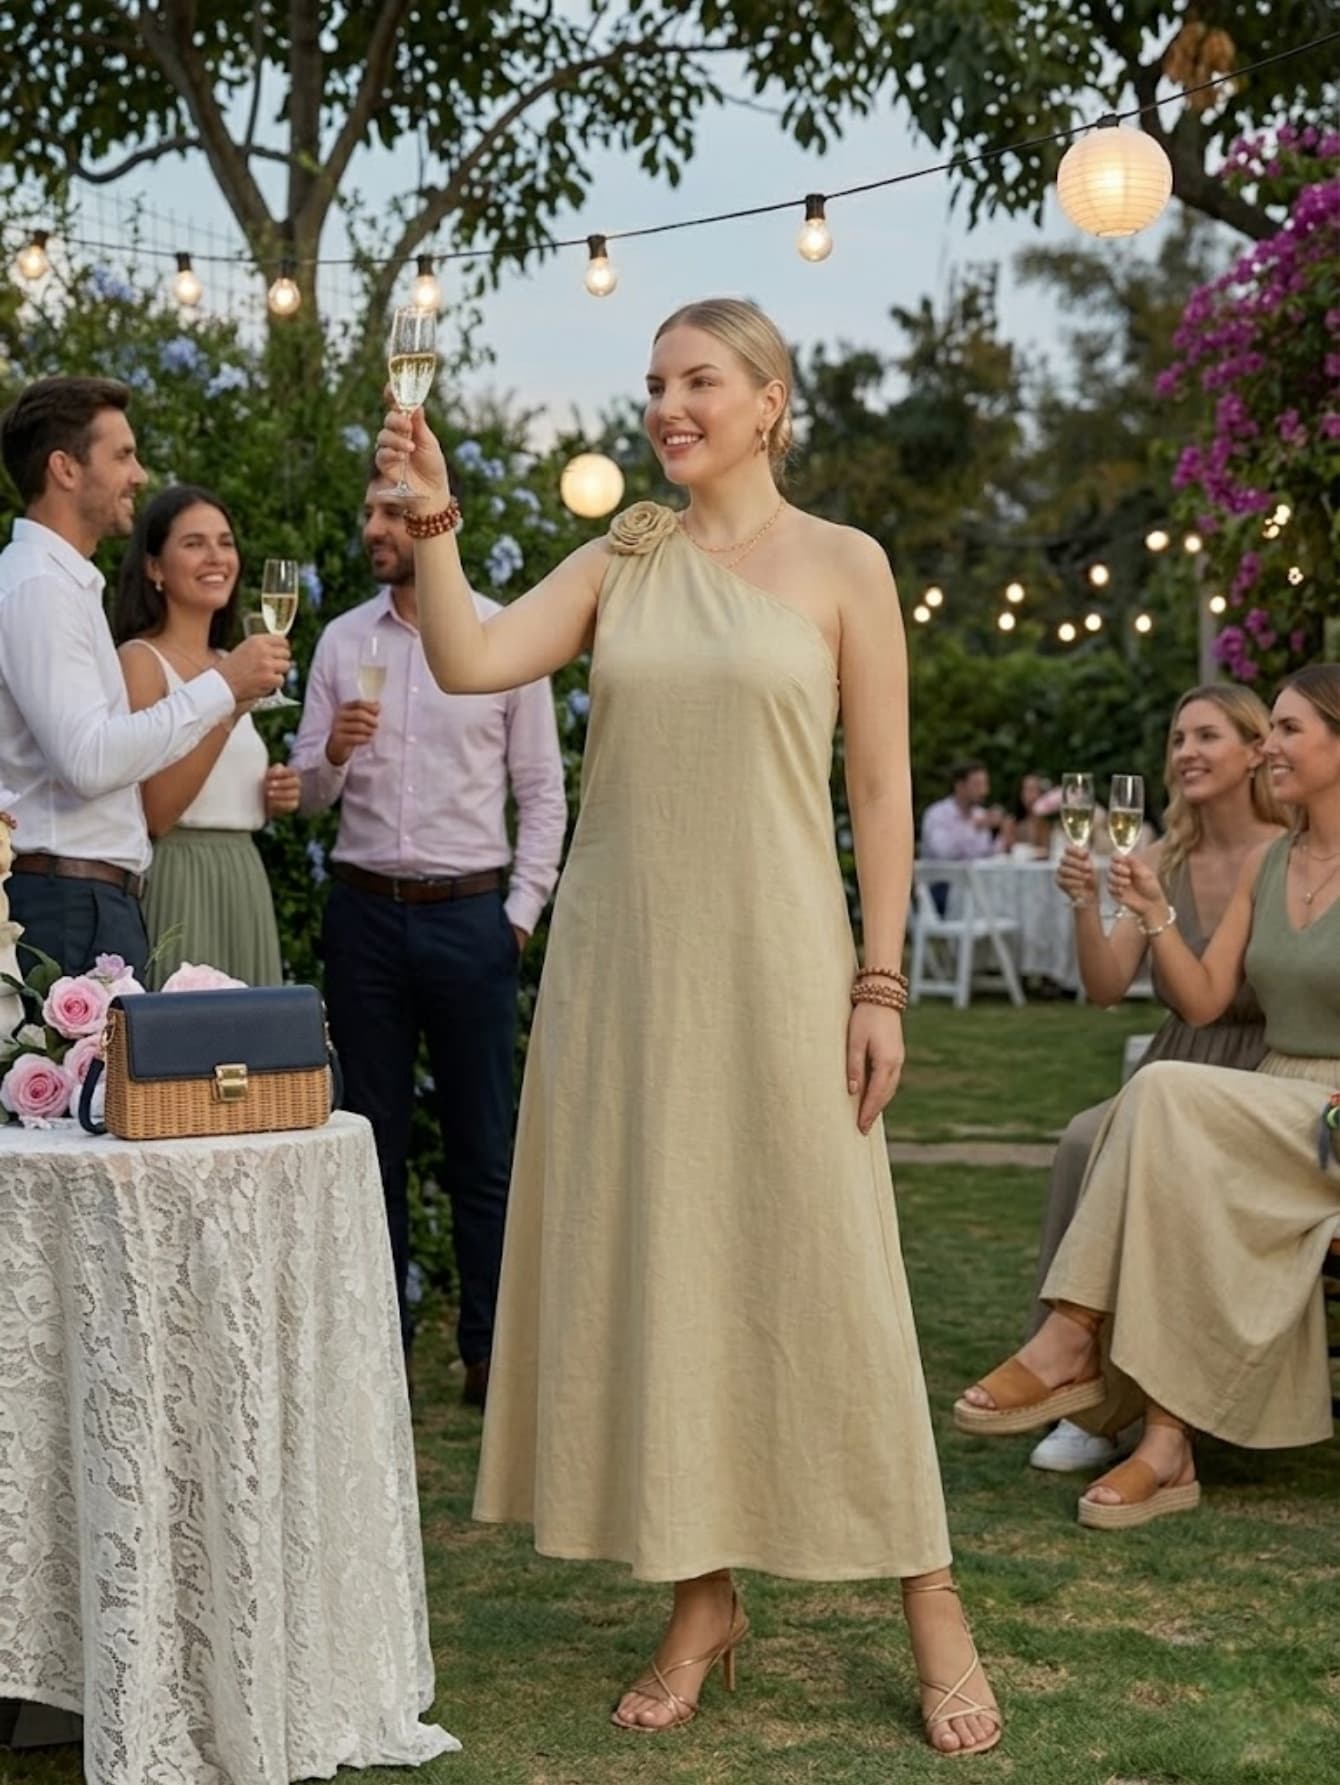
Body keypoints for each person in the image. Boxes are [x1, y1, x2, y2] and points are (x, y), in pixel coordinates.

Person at [377, 297, 1001, 1756]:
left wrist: (881, 982)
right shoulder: (623, 556)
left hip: (783, 964)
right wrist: (437, 518)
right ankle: (701, 1597)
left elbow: (880, 794)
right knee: (670, 1268)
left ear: (770, 401)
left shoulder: (846, 564)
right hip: (625, 974)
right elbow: (469, 660)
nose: (667, 404)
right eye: (654, 381)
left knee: (833, 1267)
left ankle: (930, 1597)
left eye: (698, 379)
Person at [954, 664, 1340, 1530]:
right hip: (1272, 1097)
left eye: (1288, 729)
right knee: (1167, 1145)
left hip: (1333, 1117)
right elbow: (1200, 1002)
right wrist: (1155, 910)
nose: (1271, 747)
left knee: (1158, 1094)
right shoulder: (1272, 863)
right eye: (1270, 728)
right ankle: (1165, 1447)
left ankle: (1071, 1337)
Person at [289, 472, 566, 1406]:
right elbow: (306, 795)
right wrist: (333, 751)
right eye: (369, 511)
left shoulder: (503, 636)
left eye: (391, 513)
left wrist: (518, 915)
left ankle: (490, 1354)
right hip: (364, 915)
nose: (373, 526)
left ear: (433, 523)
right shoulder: (343, 641)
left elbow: (543, 792)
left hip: (470, 917)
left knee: (483, 1145)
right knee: (368, 1143)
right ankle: (383, 1354)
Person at [1023, 686, 1285, 1474]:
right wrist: (1084, 904)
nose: (1187, 752)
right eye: (1177, 739)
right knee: (1082, 1141)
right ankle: (1084, 1397)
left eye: (1208, 736)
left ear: (1255, 751)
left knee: (1161, 1167)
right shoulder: (1163, 858)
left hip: (1265, 1069)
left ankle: (1161, 1397)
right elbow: (1107, 986)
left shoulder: (1290, 854)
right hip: (1176, 1059)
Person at [0, 377, 288, 976]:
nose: (139, 475)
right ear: (65, 469)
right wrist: (223, 687)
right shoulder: (40, 588)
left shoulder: (64, 584)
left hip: (90, 900)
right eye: (123, 455)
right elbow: (88, 761)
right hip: (66, 904)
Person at [111, 485, 299, 987]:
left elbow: (215, 779)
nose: (216, 557)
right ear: (155, 567)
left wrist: (270, 798)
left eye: (225, 542)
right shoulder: (141, 661)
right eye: (194, 543)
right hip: (181, 877)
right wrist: (231, 705)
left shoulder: (229, 661)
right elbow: (156, 812)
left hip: (243, 875)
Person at [919, 761, 1006, 860]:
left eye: (985, 784)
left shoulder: (981, 814)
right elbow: (944, 853)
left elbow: (986, 855)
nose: (984, 791)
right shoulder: (937, 814)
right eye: (977, 785)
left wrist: (1002, 837)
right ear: (959, 786)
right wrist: (974, 828)